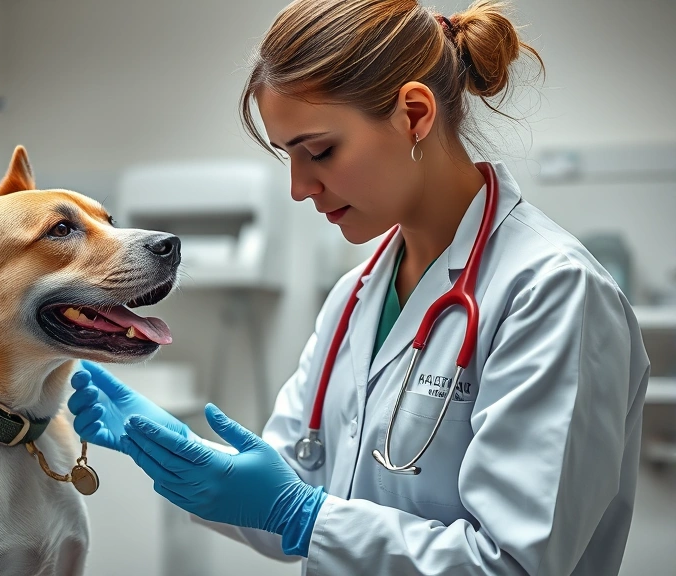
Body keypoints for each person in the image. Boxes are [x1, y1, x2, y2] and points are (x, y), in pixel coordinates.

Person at [67, 0, 651, 573]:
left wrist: (298, 514)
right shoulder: (356, 296)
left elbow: (514, 565)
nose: (299, 188)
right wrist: (189, 460)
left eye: (319, 151)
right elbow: (292, 494)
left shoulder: (551, 290)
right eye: (288, 157)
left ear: (416, 115)